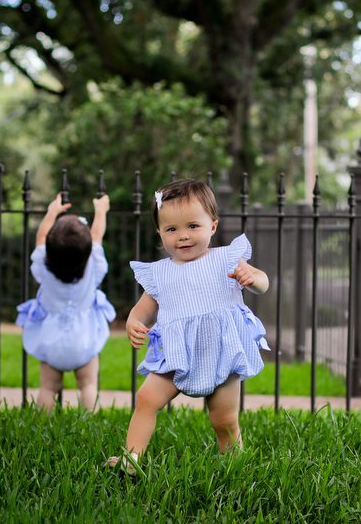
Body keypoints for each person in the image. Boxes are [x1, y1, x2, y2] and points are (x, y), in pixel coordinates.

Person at [107, 179, 270, 475]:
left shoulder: (227, 259)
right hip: (176, 356)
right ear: (160, 232)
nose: (182, 236)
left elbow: (263, 282)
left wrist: (253, 278)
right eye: (172, 229)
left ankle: (234, 468)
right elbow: (142, 309)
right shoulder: (160, 273)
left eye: (193, 226)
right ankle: (132, 459)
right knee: (146, 399)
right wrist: (133, 322)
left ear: (213, 226)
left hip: (220, 354)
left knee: (224, 420)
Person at [16, 193, 114, 412]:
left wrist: (52, 212)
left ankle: (43, 427)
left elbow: (40, 239)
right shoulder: (93, 267)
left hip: (51, 341)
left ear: (50, 253)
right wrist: (100, 210)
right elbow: (97, 235)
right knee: (88, 385)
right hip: (84, 341)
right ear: (87, 250)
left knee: (48, 388)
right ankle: (90, 425)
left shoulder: (43, 267)